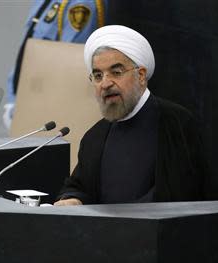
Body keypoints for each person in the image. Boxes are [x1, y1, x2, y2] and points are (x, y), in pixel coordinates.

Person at [54, 25, 207, 206]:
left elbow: (179, 194)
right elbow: (79, 186)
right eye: (97, 75)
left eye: (116, 72)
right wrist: (72, 199)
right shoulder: (95, 136)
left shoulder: (176, 123)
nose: (105, 83)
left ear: (141, 76)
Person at [3, 0, 109, 129]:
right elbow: (29, 47)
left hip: (49, 107)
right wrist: (13, 100)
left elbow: (68, 66)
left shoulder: (82, 3)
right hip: (22, 100)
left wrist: (25, 109)